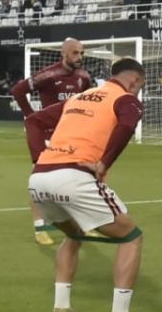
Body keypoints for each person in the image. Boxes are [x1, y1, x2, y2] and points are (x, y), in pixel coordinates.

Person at [26, 58, 150, 312]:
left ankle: (61, 311)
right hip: (74, 177)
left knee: (74, 235)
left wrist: (39, 159)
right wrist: (104, 163)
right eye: (140, 85)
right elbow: (127, 127)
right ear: (134, 80)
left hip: (39, 180)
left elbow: (34, 120)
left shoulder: (78, 98)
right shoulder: (125, 98)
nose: (139, 91)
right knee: (131, 237)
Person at [11, 38, 97, 245]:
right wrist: (32, 116)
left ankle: (82, 224)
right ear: (64, 54)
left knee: (79, 178)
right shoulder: (48, 74)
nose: (80, 57)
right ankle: (40, 227)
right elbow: (18, 91)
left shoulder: (84, 77)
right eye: (75, 53)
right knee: (39, 179)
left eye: (82, 53)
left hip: (73, 135)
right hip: (48, 134)